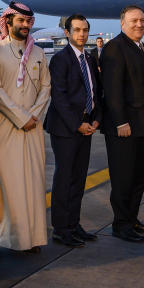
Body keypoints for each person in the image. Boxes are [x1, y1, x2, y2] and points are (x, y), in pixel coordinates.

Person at [0, 2, 51, 252]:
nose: (24, 25)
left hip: (33, 128)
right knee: (9, 185)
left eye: (28, 21)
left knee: (34, 183)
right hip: (6, 128)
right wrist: (21, 117)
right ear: (8, 22)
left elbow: (46, 87)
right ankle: (10, 238)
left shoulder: (38, 53)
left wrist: (33, 116)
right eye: (20, 21)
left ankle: (32, 239)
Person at [100, 5, 144, 243]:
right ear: (122, 23)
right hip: (125, 128)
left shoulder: (140, 47)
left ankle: (132, 218)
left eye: (142, 21)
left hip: (142, 126)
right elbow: (112, 90)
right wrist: (120, 121)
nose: (139, 25)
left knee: (138, 176)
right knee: (123, 178)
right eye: (134, 21)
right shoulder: (115, 48)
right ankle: (121, 224)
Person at [46, 14, 102, 247]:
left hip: (86, 127)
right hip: (66, 129)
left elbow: (95, 91)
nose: (82, 34)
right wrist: (77, 123)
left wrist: (96, 119)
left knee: (79, 179)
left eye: (85, 30)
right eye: (77, 30)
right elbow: (59, 96)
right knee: (64, 178)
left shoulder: (89, 58)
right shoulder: (60, 59)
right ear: (67, 33)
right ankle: (61, 228)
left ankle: (74, 223)